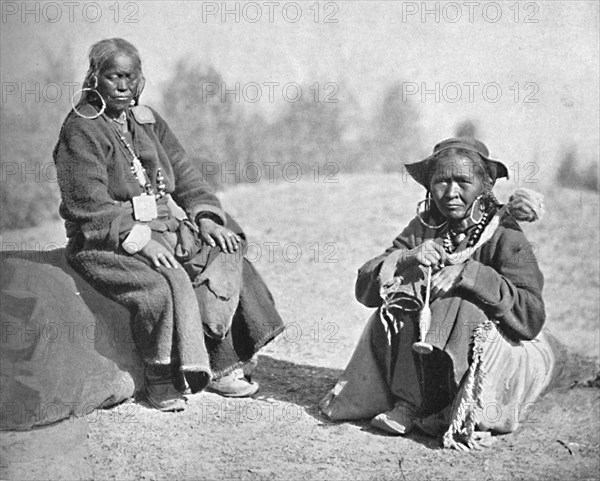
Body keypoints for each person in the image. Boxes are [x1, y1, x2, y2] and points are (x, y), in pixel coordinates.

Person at [53, 38, 284, 412]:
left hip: (165, 228)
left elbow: (188, 176)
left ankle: (224, 362)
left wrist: (206, 217)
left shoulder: (146, 121)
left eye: (132, 77)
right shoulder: (81, 130)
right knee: (160, 284)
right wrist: (140, 240)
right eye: (115, 77)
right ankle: (160, 378)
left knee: (223, 251)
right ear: (95, 77)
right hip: (105, 239)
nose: (124, 86)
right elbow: (88, 206)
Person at [320, 137, 559, 449]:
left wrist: (469, 274)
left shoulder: (505, 234)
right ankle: (410, 403)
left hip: (491, 357)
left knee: (459, 304)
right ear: (428, 187)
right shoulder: (425, 226)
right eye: (440, 182)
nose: (450, 193)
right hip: (421, 355)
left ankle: (451, 410)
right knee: (400, 301)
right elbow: (366, 288)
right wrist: (407, 257)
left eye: (462, 181)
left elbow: (531, 315)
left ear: (485, 186)